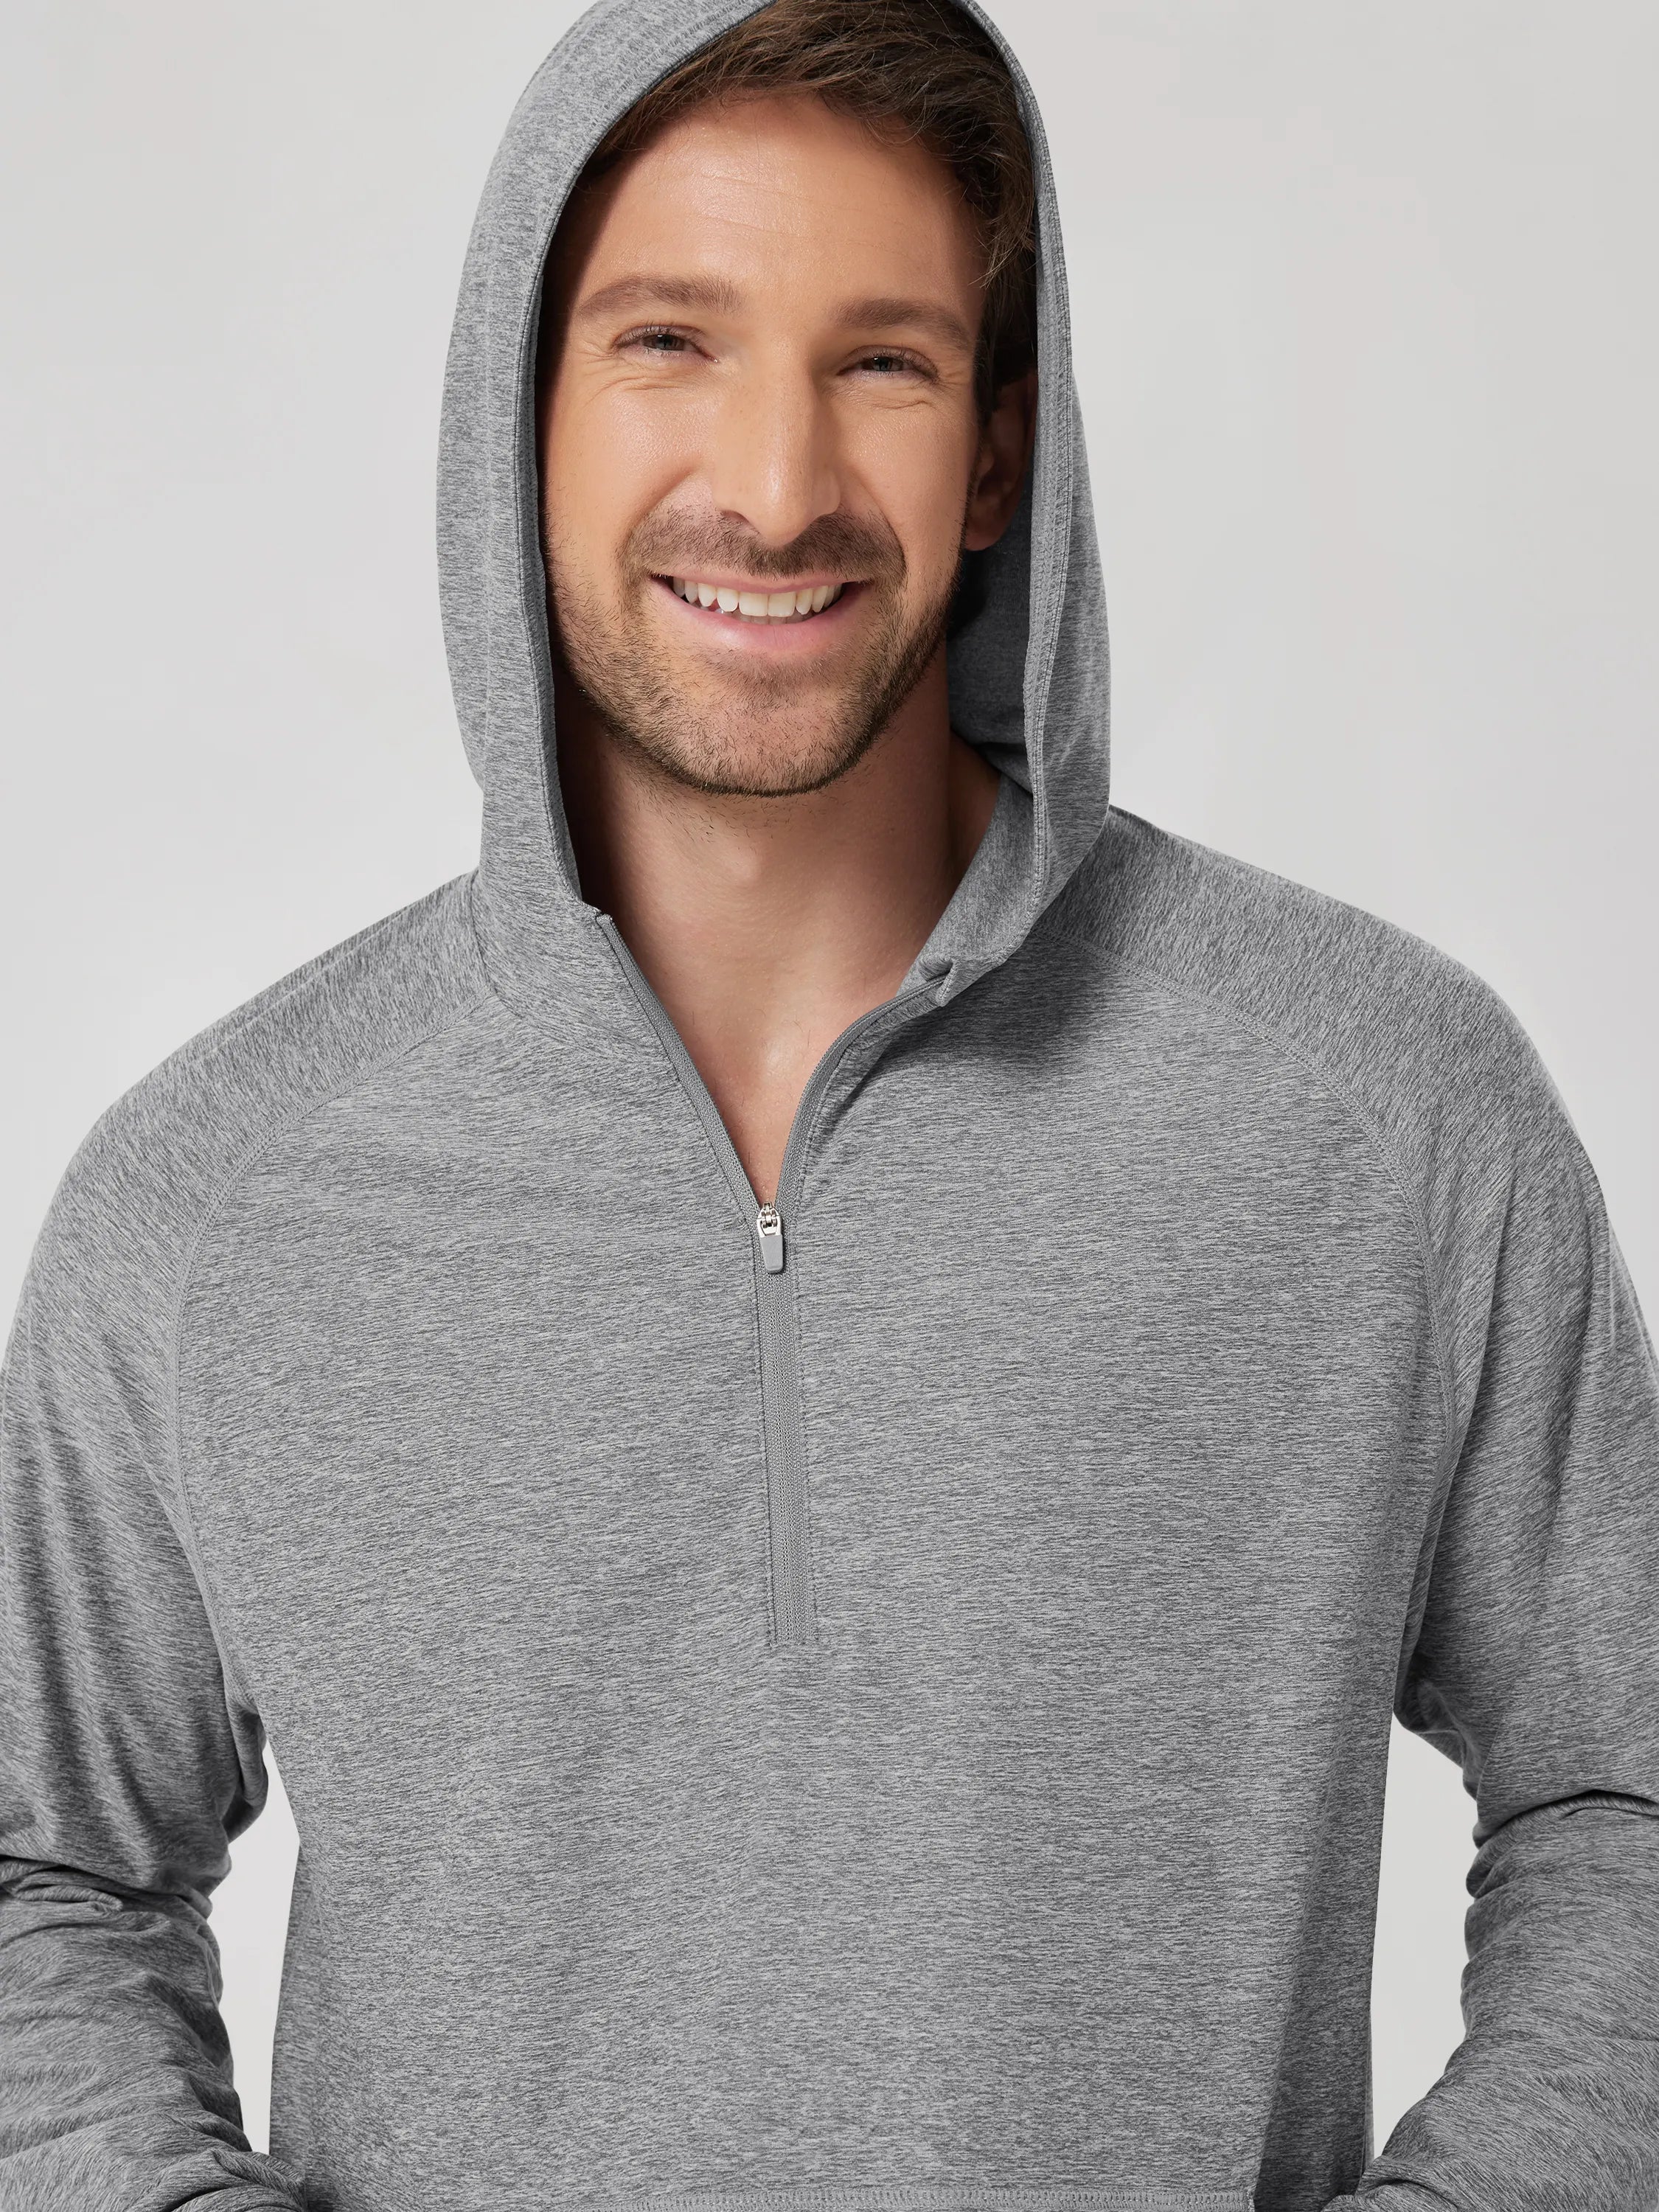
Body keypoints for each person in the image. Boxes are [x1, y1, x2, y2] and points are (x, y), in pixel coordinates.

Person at [1, 2, 1655, 2210]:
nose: (775, 489)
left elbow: (1622, 1797)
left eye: (881, 361)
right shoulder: (215, 1197)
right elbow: (49, 1879)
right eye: (668, 343)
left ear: (997, 453)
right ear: (519, 416)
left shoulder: (1386, 1111)